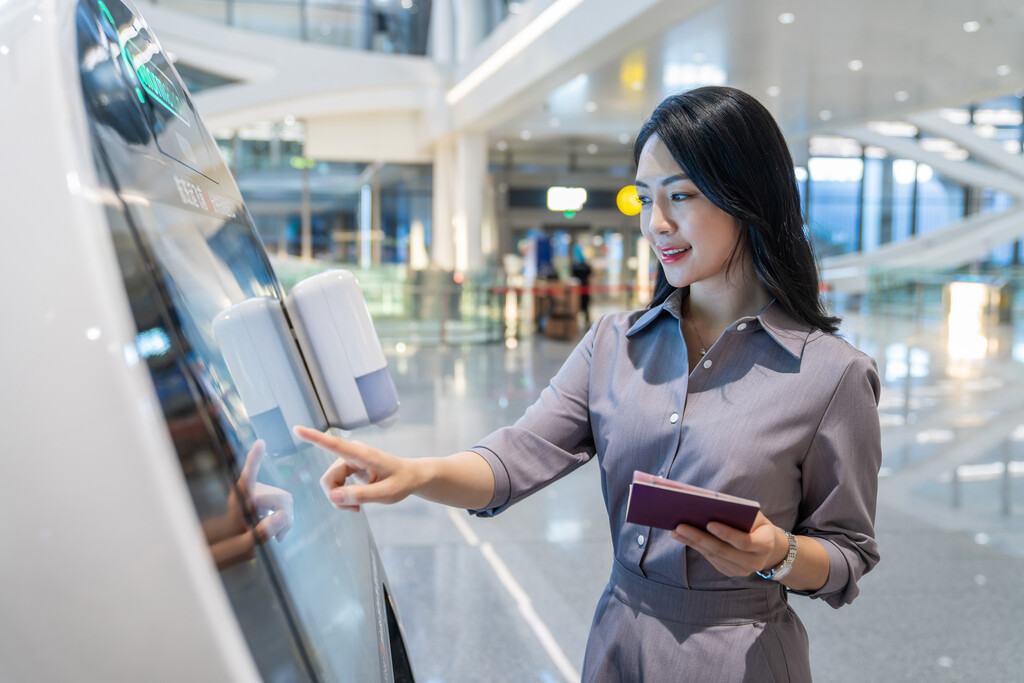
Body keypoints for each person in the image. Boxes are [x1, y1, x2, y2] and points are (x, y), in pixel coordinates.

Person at [295, 86, 882, 682]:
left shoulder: (831, 374)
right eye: (646, 199)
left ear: (747, 196)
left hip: (741, 660)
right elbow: (516, 456)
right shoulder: (614, 344)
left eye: (680, 196)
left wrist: (776, 553)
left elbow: (847, 553)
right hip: (618, 644)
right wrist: (417, 474)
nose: (657, 224)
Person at [571, 245, 594, 324]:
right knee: (585, 306)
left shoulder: (575, 266)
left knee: (578, 305)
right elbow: (590, 276)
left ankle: (578, 321)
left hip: (579, 289)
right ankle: (586, 320)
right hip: (585, 288)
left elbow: (572, 277)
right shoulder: (586, 265)